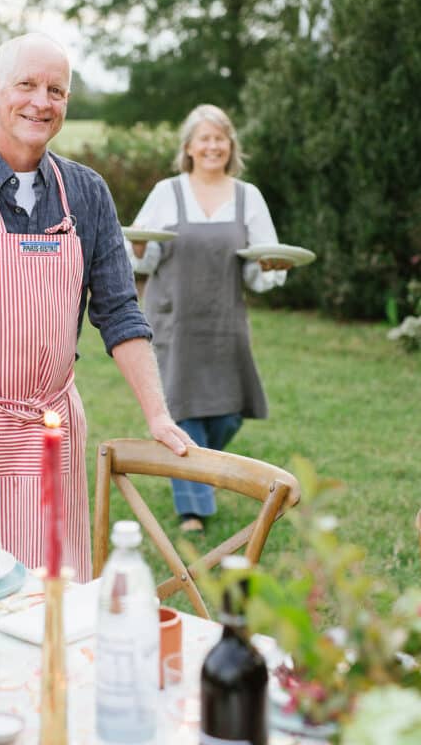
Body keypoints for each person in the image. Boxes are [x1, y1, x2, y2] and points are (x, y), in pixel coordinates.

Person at [0, 33, 191, 581]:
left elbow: (120, 311)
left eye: (57, 90)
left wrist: (158, 414)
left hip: (54, 428)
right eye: (26, 85)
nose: (41, 102)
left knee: (59, 589)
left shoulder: (88, 194)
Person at [127, 104, 289, 533]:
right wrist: (140, 250)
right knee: (182, 411)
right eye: (205, 138)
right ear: (189, 148)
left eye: (220, 138)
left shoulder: (247, 196)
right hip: (173, 321)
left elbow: (258, 268)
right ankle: (193, 509)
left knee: (227, 414)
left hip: (224, 324)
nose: (213, 145)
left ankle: (201, 469)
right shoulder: (167, 192)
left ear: (230, 145)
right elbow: (143, 258)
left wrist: (272, 268)